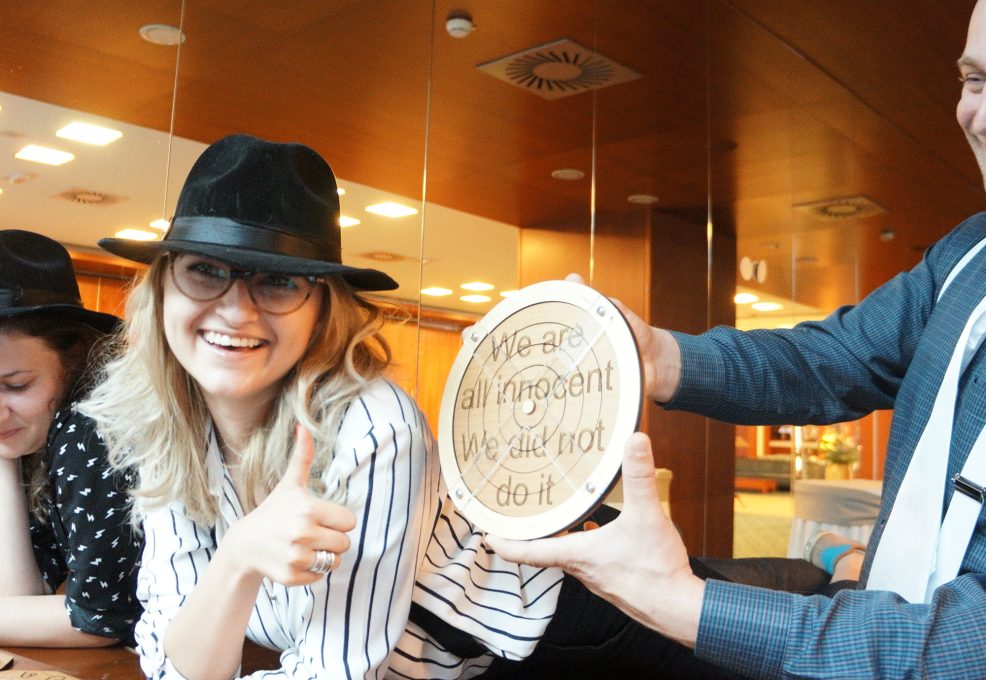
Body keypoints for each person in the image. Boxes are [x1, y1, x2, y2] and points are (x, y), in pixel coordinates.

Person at [82, 134, 736, 679]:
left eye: (277, 281)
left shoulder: (372, 424)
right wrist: (236, 558)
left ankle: (831, 571)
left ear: (321, 313)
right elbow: (174, 664)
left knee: (797, 650)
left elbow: (335, 672)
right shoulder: (163, 429)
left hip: (575, 632)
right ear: (162, 287)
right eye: (204, 269)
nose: (235, 309)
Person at [489, 1, 986, 677]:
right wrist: (658, 355)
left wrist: (684, 604)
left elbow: (966, 644)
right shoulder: (967, 253)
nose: (978, 116)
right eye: (975, 81)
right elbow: (831, 359)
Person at [0, 229, 142, 647]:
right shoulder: (36, 431)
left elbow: (101, 621)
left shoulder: (89, 428)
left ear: (74, 360)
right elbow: (19, 597)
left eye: (17, 385)